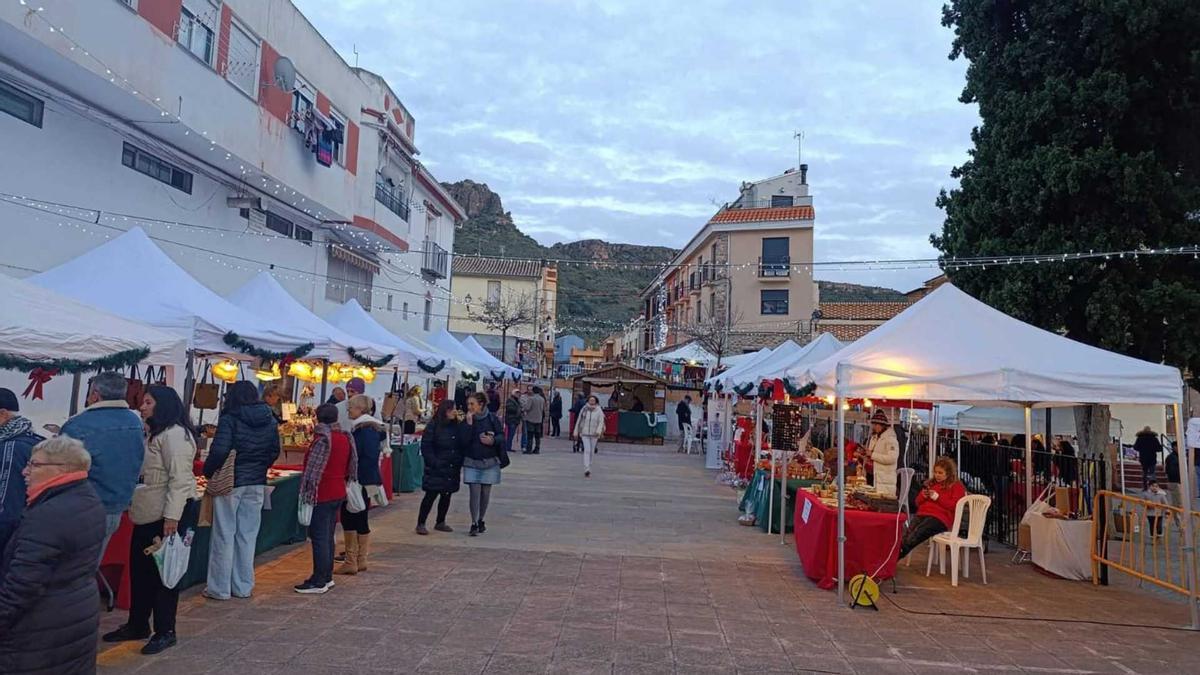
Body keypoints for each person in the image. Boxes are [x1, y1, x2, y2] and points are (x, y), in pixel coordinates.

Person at [104, 385, 198, 654]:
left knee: (164, 574)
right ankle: (138, 623)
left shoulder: (175, 436)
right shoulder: (155, 433)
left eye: (147, 402)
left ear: (163, 405)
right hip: (148, 511)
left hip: (166, 513)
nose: (142, 406)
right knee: (141, 570)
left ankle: (165, 629)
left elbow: (179, 481)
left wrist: (172, 518)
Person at [0, 436, 106, 674]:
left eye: (34, 465)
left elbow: (21, 588)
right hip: (73, 616)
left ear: (62, 469)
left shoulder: (47, 516)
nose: (25, 471)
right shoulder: (87, 498)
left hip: (40, 629)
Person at [202, 380, 280, 600]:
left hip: (230, 481)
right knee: (247, 535)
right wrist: (260, 465)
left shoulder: (230, 419)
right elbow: (275, 449)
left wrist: (209, 472)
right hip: (256, 481)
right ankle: (243, 586)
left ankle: (219, 588)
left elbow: (219, 451)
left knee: (224, 534)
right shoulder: (269, 418)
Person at [60, 370, 146, 558]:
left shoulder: (79, 424)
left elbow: (59, 472)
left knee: (67, 570)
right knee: (88, 567)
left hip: (81, 509)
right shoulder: (135, 421)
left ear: (95, 395)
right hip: (116, 507)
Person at [295, 404, 355, 594]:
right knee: (328, 535)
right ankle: (326, 576)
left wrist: (306, 492)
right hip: (337, 490)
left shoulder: (322, 440)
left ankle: (319, 579)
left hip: (323, 492)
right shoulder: (345, 437)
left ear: (318, 418)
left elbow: (313, 471)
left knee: (319, 537)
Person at [337, 394, 385, 575]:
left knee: (351, 516)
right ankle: (361, 559)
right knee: (362, 517)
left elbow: (360, 458)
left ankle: (351, 561)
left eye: (351, 407)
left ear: (361, 410)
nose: (348, 409)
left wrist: (352, 478)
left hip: (357, 481)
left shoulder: (362, 431)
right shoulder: (372, 430)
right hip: (367, 479)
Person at [899, 456, 967, 560]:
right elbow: (917, 503)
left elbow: (954, 506)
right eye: (936, 472)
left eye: (940, 473)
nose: (937, 475)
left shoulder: (956, 486)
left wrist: (937, 497)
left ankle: (899, 553)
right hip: (923, 514)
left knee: (918, 533)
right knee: (908, 532)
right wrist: (923, 495)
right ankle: (898, 551)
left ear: (948, 473)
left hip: (940, 518)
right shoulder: (931, 483)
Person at [0, 388, 41, 553]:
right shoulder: (32, 438)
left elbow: (6, 504)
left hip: (10, 535)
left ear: (2, 414)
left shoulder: (10, 447)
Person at [417, 400, 466, 535]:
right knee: (431, 495)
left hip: (451, 466)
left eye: (455, 409)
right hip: (437, 466)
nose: (454, 412)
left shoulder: (457, 426)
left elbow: (462, 443)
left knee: (446, 495)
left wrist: (458, 460)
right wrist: (433, 462)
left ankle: (440, 521)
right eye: (451, 409)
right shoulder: (434, 426)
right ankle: (421, 522)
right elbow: (426, 446)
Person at [464, 391, 506, 536]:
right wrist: (468, 425)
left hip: (490, 461)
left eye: (472, 404)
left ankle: (481, 519)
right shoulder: (467, 419)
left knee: (485, 493)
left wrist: (492, 440)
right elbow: (463, 440)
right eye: (468, 404)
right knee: (474, 492)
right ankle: (474, 522)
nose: (469, 407)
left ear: (481, 404)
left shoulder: (492, 419)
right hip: (471, 460)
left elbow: (501, 436)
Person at [866, 409, 899, 497]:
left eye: (876, 424)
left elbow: (892, 458)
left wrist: (872, 455)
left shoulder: (891, 439)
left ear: (882, 425)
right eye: (873, 424)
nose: (874, 427)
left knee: (880, 500)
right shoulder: (875, 437)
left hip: (885, 479)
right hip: (874, 474)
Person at [575, 395, 605, 478]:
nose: (591, 401)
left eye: (593, 400)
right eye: (590, 400)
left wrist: (598, 431)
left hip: (594, 434)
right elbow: (579, 420)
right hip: (584, 433)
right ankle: (586, 468)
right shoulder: (584, 409)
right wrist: (576, 431)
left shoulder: (599, 410)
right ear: (588, 401)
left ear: (596, 401)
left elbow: (601, 421)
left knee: (592, 451)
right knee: (587, 450)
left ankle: (590, 465)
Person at [522, 386, 546, 454]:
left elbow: (527, 407)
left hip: (530, 419)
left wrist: (523, 408)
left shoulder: (531, 399)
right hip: (539, 419)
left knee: (530, 435)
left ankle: (529, 449)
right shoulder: (542, 399)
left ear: (533, 391)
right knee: (537, 436)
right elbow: (542, 409)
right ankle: (537, 449)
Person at [504, 390, 523, 455]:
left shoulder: (517, 401)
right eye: (517, 393)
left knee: (511, 434)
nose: (518, 395)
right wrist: (518, 409)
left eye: (519, 394)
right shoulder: (510, 400)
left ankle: (508, 446)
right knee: (510, 434)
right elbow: (509, 408)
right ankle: (507, 447)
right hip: (511, 419)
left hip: (515, 420)